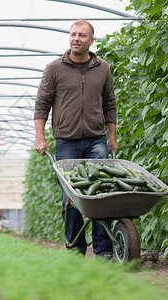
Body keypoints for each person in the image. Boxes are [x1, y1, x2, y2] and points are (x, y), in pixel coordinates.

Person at [34, 20, 118, 258]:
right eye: (73, 34)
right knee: (70, 199)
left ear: (91, 41)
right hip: (66, 142)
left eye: (82, 35)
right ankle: (75, 248)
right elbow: (42, 105)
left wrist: (112, 137)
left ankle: (104, 250)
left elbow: (109, 104)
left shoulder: (103, 68)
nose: (76, 39)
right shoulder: (54, 68)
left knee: (101, 195)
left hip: (96, 141)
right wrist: (40, 137)